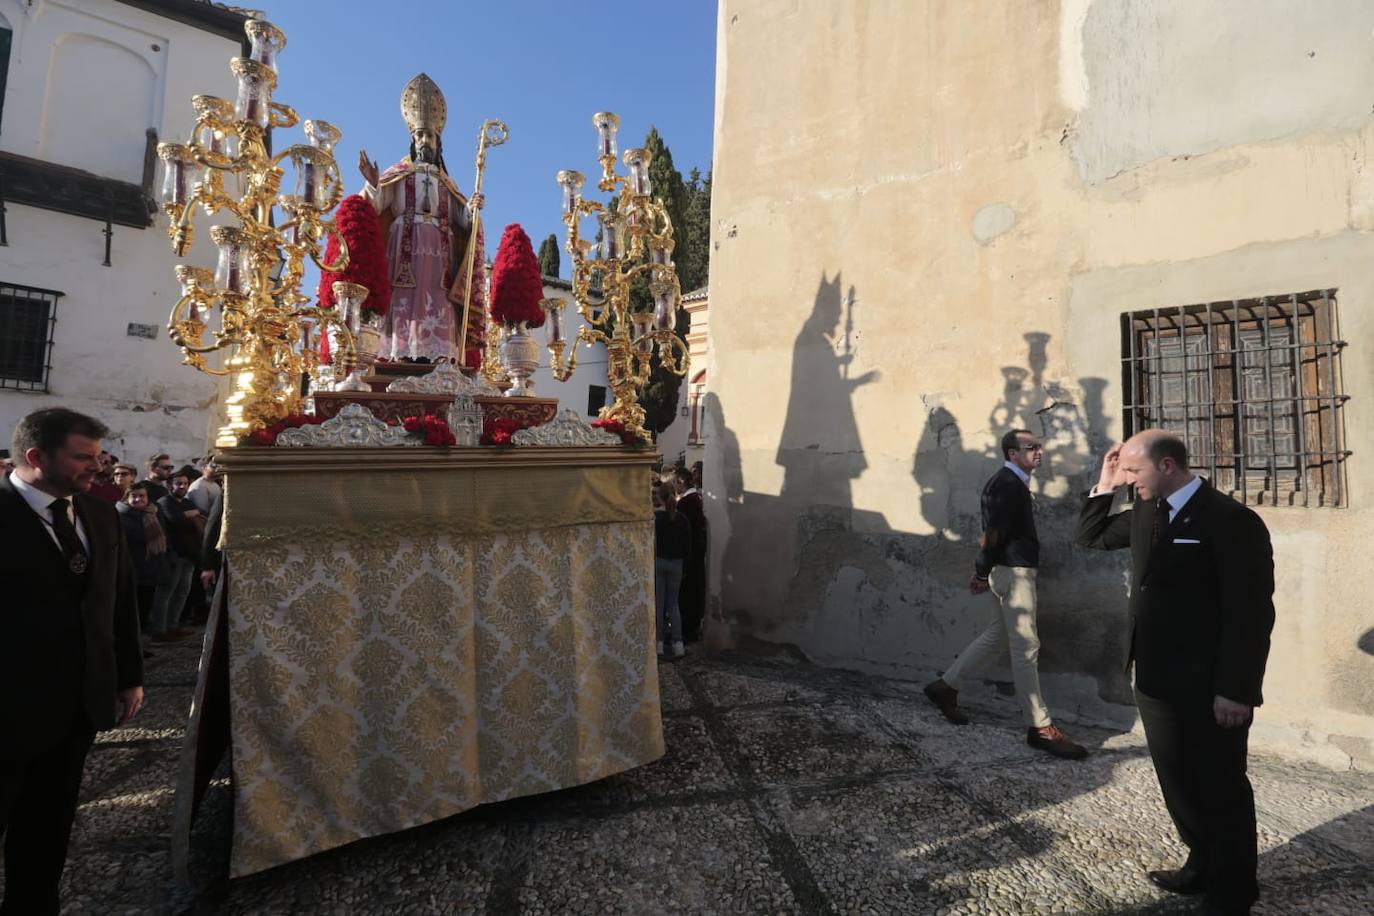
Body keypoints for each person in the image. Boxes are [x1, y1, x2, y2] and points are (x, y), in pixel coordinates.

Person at [1078, 430, 1273, 915]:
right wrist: (1103, 483)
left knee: (1222, 785)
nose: (1128, 480)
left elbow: (1249, 614)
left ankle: (1234, 891)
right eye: (1122, 472)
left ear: (1167, 466)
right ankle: (1201, 864)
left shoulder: (1231, 520)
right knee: (1178, 782)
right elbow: (1090, 537)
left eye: (1133, 471)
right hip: (1155, 677)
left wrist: (1236, 689)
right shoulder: (1147, 509)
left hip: (1209, 685)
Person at [0, 407, 143, 914]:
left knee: (46, 832)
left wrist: (128, 675)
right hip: (6, 711)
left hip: (75, 709)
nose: (97, 468)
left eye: (99, 457)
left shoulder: (100, 514)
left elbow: (117, 601)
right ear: (37, 457)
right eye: (83, 457)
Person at [923, 429, 1088, 760]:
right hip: (1014, 573)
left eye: (1039, 446)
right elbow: (992, 535)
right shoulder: (1006, 484)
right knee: (1026, 647)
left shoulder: (1013, 483)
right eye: (1031, 448)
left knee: (998, 636)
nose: (1039, 452)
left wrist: (986, 571)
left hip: (1011, 571)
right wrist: (982, 571)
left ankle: (945, 687)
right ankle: (1040, 727)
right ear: (1013, 454)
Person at [357, 73, 486, 366]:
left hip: (440, 251)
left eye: (429, 135)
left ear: (438, 143)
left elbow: (461, 221)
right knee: (403, 297)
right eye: (419, 135)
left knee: (438, 297)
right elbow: (377, 207)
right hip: (404, 245)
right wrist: (373, 184)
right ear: (412, 140)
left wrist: (472, 210)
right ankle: (398, 351)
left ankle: (438, 353)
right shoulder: (399, 174)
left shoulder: (446, 182)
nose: (424, 139)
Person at [116, 482, 170, 642]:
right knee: (130, 614)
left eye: (142, 496)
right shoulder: (120, 517)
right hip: (132, 572)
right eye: (134, 496)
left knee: (144, 612)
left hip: (150, 571)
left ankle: (139, 646)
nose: (139, 499)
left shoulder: (153, 514)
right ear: (127, 498)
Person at [152, 472, 202, 641]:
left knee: (182, 593)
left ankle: (173, 626)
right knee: (166, 593)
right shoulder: (165, 502)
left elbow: (198, 522)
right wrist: (190, 517)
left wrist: (191, 518)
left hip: (189, 554)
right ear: (170, 485)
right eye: (178, 483)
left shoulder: (187, 502)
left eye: (185, 483)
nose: (182, 486)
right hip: (173, 554)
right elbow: (177, 521)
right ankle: (159, 630)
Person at [653, 481, 692, 659]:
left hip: (659, 561)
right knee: (674, 604)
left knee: (659, 604)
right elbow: (687, 545)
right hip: (677, 563)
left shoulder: (656, 519)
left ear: (660, 497)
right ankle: (678, 644)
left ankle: (659, 643)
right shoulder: (682, 519)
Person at [675, 465, 708, 642]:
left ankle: (689, 629)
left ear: (681, 482)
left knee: (689, 591)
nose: (674, 487)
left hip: (691, 552)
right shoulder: (696, 498)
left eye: (675, 483)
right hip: (696, 549)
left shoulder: (688, 502)